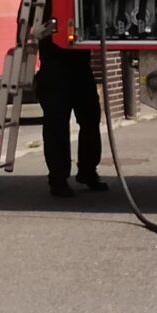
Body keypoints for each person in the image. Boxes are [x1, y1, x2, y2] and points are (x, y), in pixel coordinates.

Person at [35, 33, 106, 198]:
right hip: (54, 69)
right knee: (57, 125)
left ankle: (88, 171)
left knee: (91, 119)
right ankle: (58, 179)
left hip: (80, 67)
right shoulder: (42, 15)